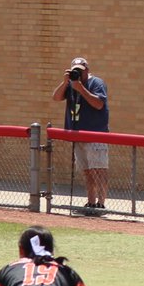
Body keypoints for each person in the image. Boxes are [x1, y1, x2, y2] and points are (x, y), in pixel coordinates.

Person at [52, 56, 109, 212]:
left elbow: (98, 104)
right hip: (78, 135)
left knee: (99, 170)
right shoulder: (70, 84)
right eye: (75, 70)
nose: (78, 73)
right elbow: (56, 97)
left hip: (95, 134)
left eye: (81, 71)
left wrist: (80, 89)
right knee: (87, 171)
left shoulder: (96, 83)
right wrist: (66, 82)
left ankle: (101, 203)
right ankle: (91, 202)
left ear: (87, 70)